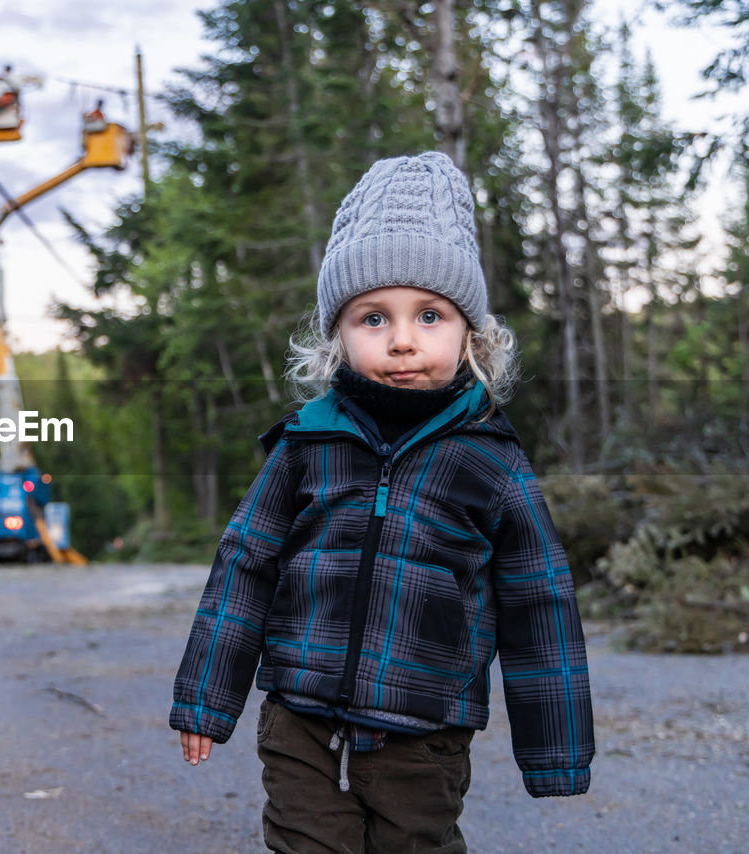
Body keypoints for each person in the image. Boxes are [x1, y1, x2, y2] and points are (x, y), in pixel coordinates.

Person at [170, 151, 594, 854]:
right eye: (373, 317)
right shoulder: (306, 444)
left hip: (424, 728)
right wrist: (208, 699)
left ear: (472, 335)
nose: (401, 339)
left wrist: (557, 751)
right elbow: (244, 566)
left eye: (429, 314)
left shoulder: (490, 460)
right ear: (337, 333)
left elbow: (539, 601)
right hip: (300, 718)